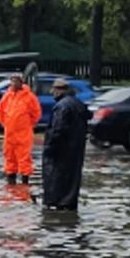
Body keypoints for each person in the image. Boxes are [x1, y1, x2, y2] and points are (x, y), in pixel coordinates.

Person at [39, 78, 90, 212]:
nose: (52, 93)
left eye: (54, 90)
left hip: (61, 150)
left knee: (55, 179)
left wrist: (49, 148)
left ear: (59, 90)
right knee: (72, 180)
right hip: (76, 149)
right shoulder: (78, 104)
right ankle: (69, 204)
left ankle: (56, 204)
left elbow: (58, 129)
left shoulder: (61, 106)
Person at [0, 73, 41, 185]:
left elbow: (36, 114)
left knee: (24, 158)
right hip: (9, 133)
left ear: (21, 82)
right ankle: (11, 182)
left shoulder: (30, 97)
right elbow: (1, 112)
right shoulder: (7, 96)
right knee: (9, 157)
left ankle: (25, 182)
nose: (13, 83)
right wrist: (7, 125)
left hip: (23, 133)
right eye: (12, 81)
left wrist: (26, 125)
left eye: (16, 81)